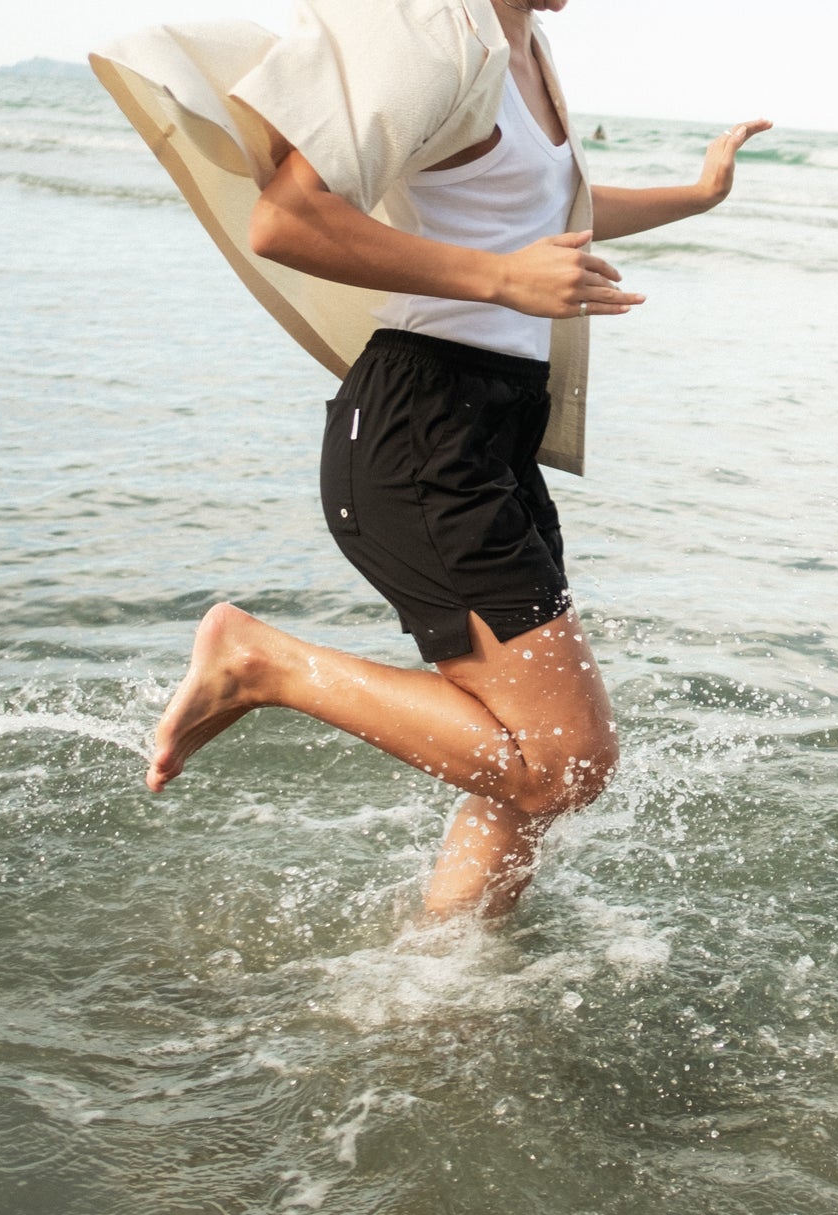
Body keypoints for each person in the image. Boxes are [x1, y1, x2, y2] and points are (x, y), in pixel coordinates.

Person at [90, 0, 770, 917]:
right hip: (424, 432)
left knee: (516, 764)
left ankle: (448, 977)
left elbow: (543, 209)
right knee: (567, 763)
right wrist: (500, 279)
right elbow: (288, 219)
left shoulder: (523, 43)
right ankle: (260, 662)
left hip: (493, 429)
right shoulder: (434, 29)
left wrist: (698, 196)